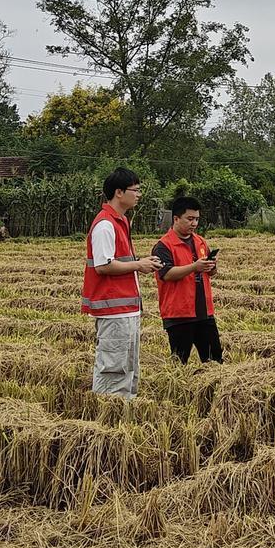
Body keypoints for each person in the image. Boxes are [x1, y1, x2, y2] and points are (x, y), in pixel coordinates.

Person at [82, 168, 161, 397]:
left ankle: (123, 412)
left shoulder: (120, 221)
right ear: (119, 192)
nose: (139, 195)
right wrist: (138, 265)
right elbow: (103, 265)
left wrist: (141, 263)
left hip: (125, 310)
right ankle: (108, 413)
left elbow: (118, 261)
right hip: (113, 311)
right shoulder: (105, 225)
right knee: (114, 371)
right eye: (135, 190)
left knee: (128, 369)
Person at [151, 195, 223, 363]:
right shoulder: (163, 246)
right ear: (176, 219)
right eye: (190, 219)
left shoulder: (200, 242)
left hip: (204, 312)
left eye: (197, 219)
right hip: (179, 314)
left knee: (215, 360)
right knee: (179, 362)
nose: (194, 223)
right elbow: (166, 274)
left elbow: (210, 273)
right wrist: (194, 267)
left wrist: (212, 266)